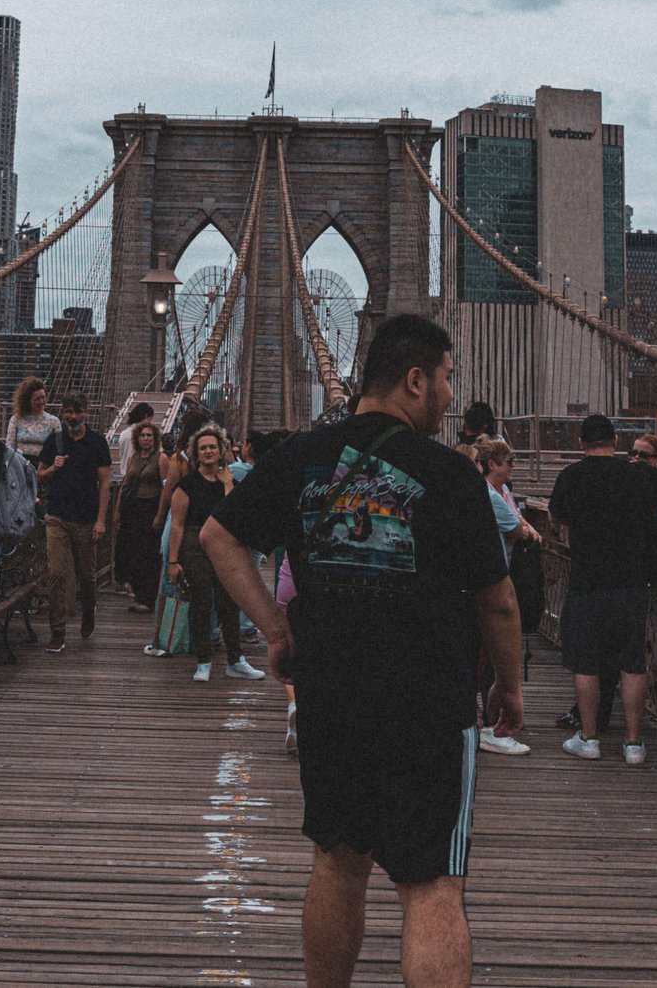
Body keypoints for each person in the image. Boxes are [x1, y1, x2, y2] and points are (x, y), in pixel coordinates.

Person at [203, 314, 522, 988]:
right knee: (431, 885)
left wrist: (277, 627)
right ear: (414, 379)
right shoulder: (452, 472)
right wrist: (511, 686)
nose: (447, 393)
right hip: (430, 701)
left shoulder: (299, 456)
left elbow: (218, 537)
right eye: (445, 378)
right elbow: (498, 599)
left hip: (330, 694)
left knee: (338, 861)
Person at [547, 414, 657, 766]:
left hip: (588, 582)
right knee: (632, 662)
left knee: (587, 663)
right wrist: (650, 506)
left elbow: (555, 516)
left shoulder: (571, 476)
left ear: (581, 443)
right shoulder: (636, 473)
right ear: (617, 440)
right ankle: (634, 743)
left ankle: (589, 738)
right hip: (632, 584)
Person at [165, 429, 260, 682]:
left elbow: (234, 515)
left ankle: (235, 660)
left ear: (222, 452)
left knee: (229, 600)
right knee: (202, 599)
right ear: (197, 453)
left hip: (224, 545)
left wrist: (228, 483)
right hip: (194, 545)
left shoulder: (231, 484)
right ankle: (204, 661)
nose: (208, 451)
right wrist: (173, 562)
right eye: (203, 447)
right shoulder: (187, 485)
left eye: (213, 447)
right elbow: (177, 525)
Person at [471, 437, 538, 757]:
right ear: (493, 465)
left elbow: (519, 521)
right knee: (488, 658)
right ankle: (492, 726)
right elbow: (516, 529)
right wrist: (525, 530)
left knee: (487, 656)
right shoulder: (488, 495)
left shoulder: (503, 492)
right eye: (509, 462)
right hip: (492, 583)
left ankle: (489, 723)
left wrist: (523, 527)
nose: (514, 466)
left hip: (503, 576)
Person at [37, 392, 113, 651]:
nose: (72, 416)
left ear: (86, 412)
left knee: (86, 576)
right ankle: (57, 631)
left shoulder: (97, 443)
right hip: (57, 516)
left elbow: (104, 484)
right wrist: (53, 468)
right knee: (57, 573)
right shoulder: (54, 441)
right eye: (68, 411)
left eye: (77, 411)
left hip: (86, 518)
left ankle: (89, 611)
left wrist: (101, 520)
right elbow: (41, 476)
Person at [111, 418, 165, 613]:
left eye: (149, 435)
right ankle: (138, 593)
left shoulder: (161, 459)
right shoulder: (132, 458)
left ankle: (147, 598)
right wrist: (117, 510)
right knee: (132, 552)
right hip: (132, 509)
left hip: (150, 507)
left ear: (155, 438)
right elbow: (125, 484)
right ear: (137, 438)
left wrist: (160, 514)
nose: (146, 439)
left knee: (148, 554)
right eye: (142, 435)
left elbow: (165, 489)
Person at [7, 376, 60, 460]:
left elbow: (59, 449)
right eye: (37, 399)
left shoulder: (54, 421)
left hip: (44, 464)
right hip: (21, 463)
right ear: (28, 401)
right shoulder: (16, 419)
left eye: (43, 397)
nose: (42, 401)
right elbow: (10, 446)